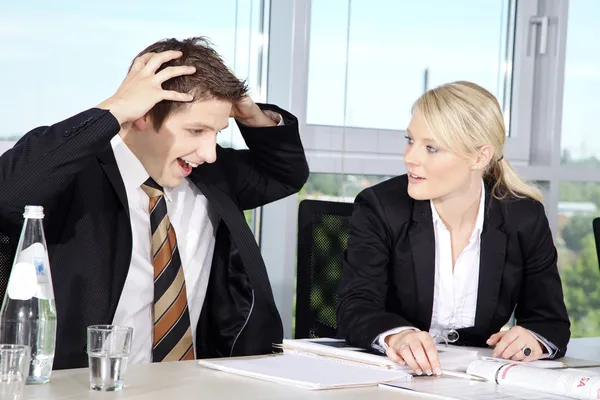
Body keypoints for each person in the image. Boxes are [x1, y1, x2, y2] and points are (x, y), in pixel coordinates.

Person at [0, 37, 309, 369]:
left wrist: (251, 115)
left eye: (216, 133)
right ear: (143, 115)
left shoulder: (212, 177)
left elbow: (285, 175)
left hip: (199, 382)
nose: (209, 153)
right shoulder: (77, 175)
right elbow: (9, 195)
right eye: (195, 130)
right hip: (87, 384)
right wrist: (115, 108)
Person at [336, 81, 570, 376]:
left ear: (479, 157)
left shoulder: (523, 217)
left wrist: (532, 339)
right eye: (410, 140)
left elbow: (550, 322)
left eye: (431, 148)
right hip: (388, 376)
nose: (410, 157)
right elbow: (354, 306)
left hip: (477, 382)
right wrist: (398, 335)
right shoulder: (380, 206)